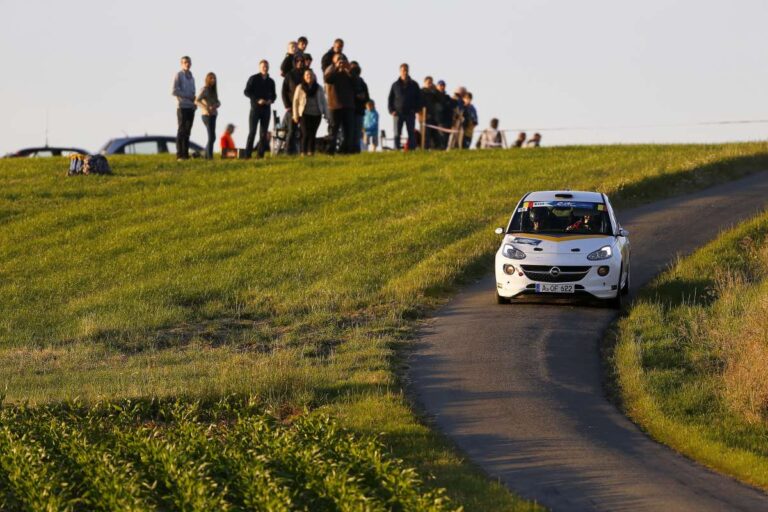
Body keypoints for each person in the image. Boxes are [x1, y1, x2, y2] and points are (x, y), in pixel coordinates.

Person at [243, 59, 276, 158]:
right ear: (260, 67)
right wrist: (257, 100)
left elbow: (274, 95)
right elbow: (246, 91)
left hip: (266, 109)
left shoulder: (271, 81)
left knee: (263, 133)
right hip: (255, 109)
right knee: (252, 132)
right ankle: (247, 154)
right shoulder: (253, 78)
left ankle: (260, 155)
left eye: (266, 66)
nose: (265, 68)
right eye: (263, 66)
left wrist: (271, 100)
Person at [324, 53, 356, 154]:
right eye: (338, 59)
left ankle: (345, 151)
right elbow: (327, 79)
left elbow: (357, 83)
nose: (341, 61)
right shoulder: (331, 69)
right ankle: (330, 151)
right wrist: (336, 68)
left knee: (348, 131)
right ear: (333, 60)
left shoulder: (349, 71)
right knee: (333, 131)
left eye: (343, 59)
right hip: (334, 106)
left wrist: (348, 70)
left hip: (348, 105)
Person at [292, 69, 328, 156]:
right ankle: (303, 152)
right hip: (304, 114)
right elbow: (295, 102)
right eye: (307, 75)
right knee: (305, 133)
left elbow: (324, 101)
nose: (309, 76)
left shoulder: (319, 88)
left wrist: (326, 114)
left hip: (316, 114)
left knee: (313, 134)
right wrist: (295, 115)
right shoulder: (300, 87)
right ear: (304, 77)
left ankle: (310, 152)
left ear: (314, 76)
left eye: (310, 75)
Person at [388, 63, 421, 150]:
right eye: (403, 70)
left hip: (410, 113)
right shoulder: (395, 85)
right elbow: (390, 99)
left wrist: (416, 109)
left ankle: (412, 149)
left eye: (406, 70)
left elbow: (419, 98)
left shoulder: (414, 85)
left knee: (411, 132)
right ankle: (396, 149)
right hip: (398, 114)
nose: (405, 72)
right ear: (400, 71)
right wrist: (391, 111)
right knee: (397, 133)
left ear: (408, 71)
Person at [172, 56, 196, 160]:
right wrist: (187, 96)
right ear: (181, 64)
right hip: (182, 106)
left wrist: (194, 102)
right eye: (185, 62)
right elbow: (174, 91)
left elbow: (193, 93)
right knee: (181, 130)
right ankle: (179, 154)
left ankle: (185, 154)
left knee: (188, 131)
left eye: (189, 62)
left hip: (191, 107)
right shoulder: (179, 75)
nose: (187, 64)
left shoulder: (192, 77)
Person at [281, 55, 305, 155]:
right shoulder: (289, 75)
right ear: (295, 62)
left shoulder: (306, 73)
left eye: (301, 61)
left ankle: (303, 151)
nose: (299, 63)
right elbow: (284, 91)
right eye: (298, 61)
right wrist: (287, 105)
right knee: (292, 130)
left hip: (304, 107)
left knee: (304, 131)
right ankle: (288, 151)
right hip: (292, 106)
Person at [195, 72, 221, 159]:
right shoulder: (205, 89)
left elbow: (218, 101)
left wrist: (216, 105)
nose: (213, 80)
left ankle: (205, 154)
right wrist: (206, 107)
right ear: (208, 79)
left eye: (214, 78)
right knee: (211, 136)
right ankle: (209, 157)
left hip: (213, 115)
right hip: (207, 115)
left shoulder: (214, 90)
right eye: (211, 78)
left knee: (213, 137)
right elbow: (197, 101)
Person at [350, 61, 370, 153]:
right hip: (349, 111)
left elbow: (367, 97)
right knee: (350, 132)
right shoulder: (347, 81)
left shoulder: (362, 83)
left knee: (358, 133)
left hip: (359, 111)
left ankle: (356, 150)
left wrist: (363, 97)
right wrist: (355, 96)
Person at [420, 76, 442, 149]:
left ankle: (437, 149)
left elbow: (440, 99)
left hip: (433, 117)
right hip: (424, 116)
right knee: (426, 136)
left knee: (436, 135)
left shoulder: (433, 92)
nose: (430, 84)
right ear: (425, 82)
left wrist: (435, 89)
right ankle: (424, 150)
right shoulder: (421, 92)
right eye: (428, 82)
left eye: (431, 83)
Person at [435, 80, 452, 149]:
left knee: (446, 138)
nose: (442, 87)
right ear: (437, 86)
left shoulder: (447, 97)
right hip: (439, 120)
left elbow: (450, 107)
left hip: (447, 120)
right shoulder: (434, 96)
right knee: (441, 138)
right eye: (440, 85)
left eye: (443, 85)